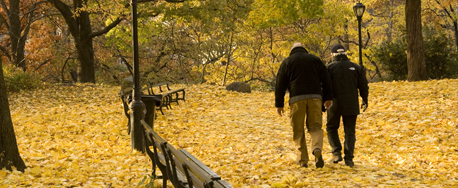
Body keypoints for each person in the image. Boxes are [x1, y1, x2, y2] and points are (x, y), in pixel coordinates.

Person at [275, 42, 333, 168]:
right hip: (315, 98)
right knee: (316, 127)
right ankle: (317, 149)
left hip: (297, 99)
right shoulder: (315, 60)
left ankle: (303, 160)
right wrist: (328, 98)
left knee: (298, 129)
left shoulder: (287, 61)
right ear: (304, 49)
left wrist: (279, 104)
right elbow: (326, 79)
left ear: (292, 50)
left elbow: (280, 83)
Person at [326, 44, 369, 167]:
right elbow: (363, 86)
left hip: (334, 104)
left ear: (332, 54)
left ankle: (336, 153)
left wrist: (324, 102)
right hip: (351, 103)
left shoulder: (329, 68)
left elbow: (325, 87)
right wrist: (364, 99)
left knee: (331, 127)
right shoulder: (356, 67)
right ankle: (349, 158)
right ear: (345, 53)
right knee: (350, 131)